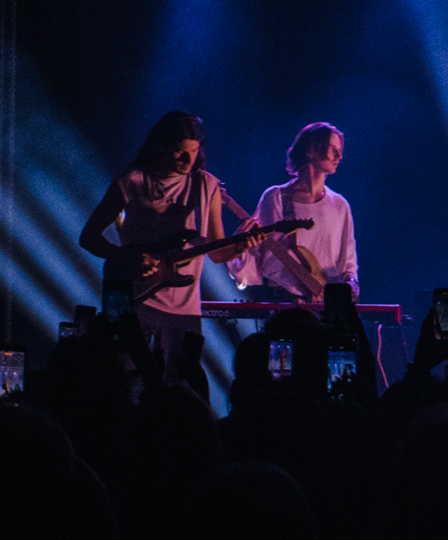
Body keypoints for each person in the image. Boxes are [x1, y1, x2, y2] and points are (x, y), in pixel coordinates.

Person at [78, 111, 263, 385]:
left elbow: (216, 253)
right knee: (127, 382)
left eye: (194, 151)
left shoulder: (207, 185)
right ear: (161, 146)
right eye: (180, 152)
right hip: (135, 303)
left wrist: (240, 245)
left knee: (180, 389)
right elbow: (88, 237)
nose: (188, 160)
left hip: (184, 310)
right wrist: (127, 257)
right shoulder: (132, 181)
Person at [227, 122, 359, 304]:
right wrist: (240, 245)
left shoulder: (339, 205)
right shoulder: (276, 197)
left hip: (325, 303)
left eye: (340, 150)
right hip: (283, 301)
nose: (339, 156)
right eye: (332, 149)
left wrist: (351, 284)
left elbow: (347, 262)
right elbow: (255, 255)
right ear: (311, 150)